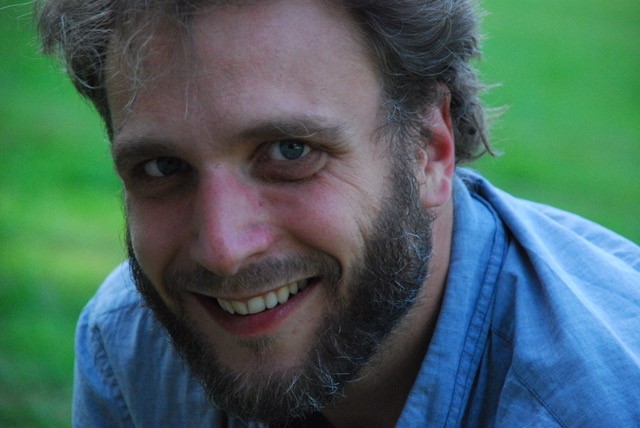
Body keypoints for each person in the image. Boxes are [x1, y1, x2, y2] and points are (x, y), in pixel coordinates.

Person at [36, 0, 639, 426]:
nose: (222, 251)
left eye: (290, 152)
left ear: (430, 150)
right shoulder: (130, 351)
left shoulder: (604, 406)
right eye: (162, 167)